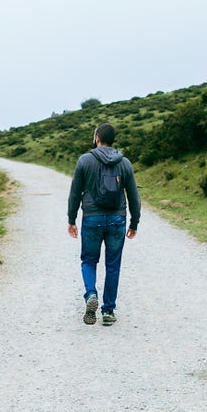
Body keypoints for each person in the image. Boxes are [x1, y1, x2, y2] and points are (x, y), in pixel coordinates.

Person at [67, 123, 141, 326]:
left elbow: (75, 193)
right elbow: (134, 196)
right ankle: (108, 311)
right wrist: (134, 222)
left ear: (97, 137)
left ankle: (91, 294)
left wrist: (71, 219)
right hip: (117, 219)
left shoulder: (85, 160)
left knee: (89, 260)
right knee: (113, 264)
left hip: (92, 217)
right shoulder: (124, 163)